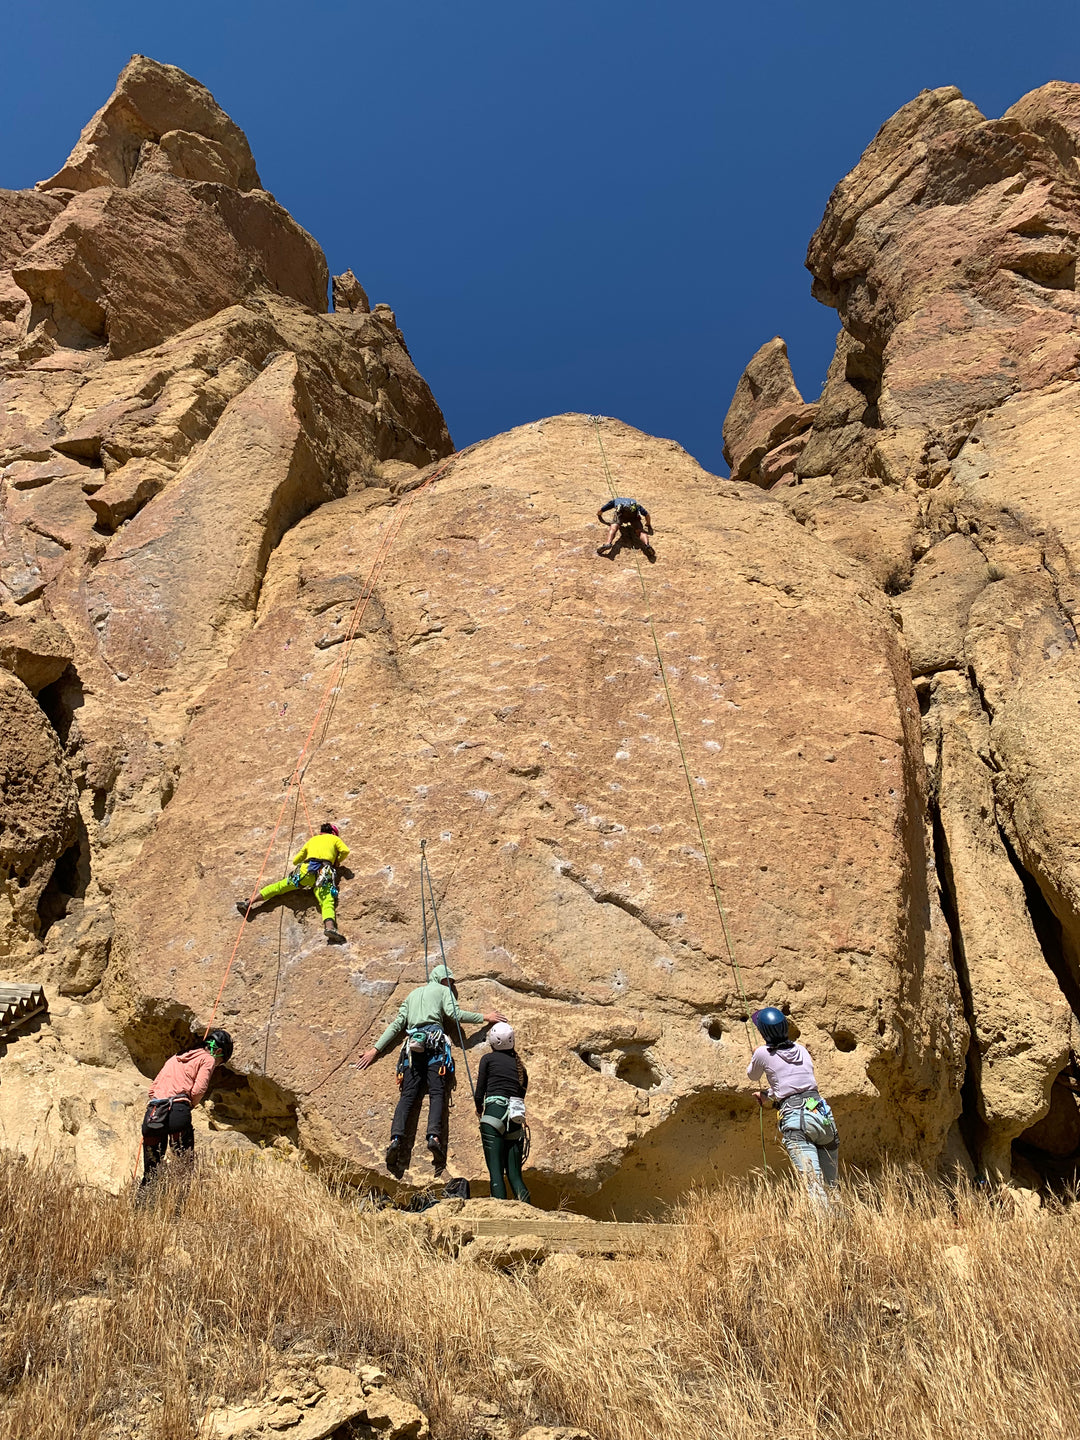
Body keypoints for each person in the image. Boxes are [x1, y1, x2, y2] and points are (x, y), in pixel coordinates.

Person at [354, 963, 506, 1168]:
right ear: (441, 980)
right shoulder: (443, 991)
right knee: (437, 1092)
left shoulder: (412, 995)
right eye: (449, 981)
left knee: (407, 1095)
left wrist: (375, 1050)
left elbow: (397, 1024)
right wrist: (485, 1017)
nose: (451, 986)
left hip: (413, 1047)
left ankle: (395, 1140)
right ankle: (434, 1137)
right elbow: (455, 1015)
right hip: (435, 1045)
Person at [747, 1007, 838, 1207]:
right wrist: (767, 1095)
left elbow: (752, 1075)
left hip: (797, 1119)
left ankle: (824, 1234)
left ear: (764, 1032)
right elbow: (796, 1084)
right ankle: (843, 1232)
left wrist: (756, 1054)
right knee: (831, 1188)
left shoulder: (762, 1053)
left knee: (814, 1188)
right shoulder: (801, 1050)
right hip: (822, 1115)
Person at [139, 1028, 233, 1191]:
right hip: (178, 1112)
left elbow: (152, 1089)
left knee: (151, 1171)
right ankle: (178, 1207)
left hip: (154, 1113)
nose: (216, 1065)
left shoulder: (175, 1058)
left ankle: (142, 1209)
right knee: (184, 1167)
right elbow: (198, 1089)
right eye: (220, 1061)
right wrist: (190, 1104)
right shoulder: (208, 1058)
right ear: (218, 1051)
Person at [237, 822, 350, 944]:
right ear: (333, 833)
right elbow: (345, 851)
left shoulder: (312, 840)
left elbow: (296, 860)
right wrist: (336, 861)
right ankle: (329, 928)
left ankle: (249, 902)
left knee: (279, 887)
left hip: (305, 871)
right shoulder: (334, 839)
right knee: (327, 901)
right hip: (323, 873)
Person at [475, 1021, 531, 1203]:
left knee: (496, 1174)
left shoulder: (488, 1060)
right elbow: (521, 1095)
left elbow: (480, 1092)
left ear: (492, 1041)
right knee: (515, 1176)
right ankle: (530, 1213)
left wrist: (479, 1109)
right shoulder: (520, 1067)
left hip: (493, 1114)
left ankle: (500, 1214)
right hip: (514, 1119)